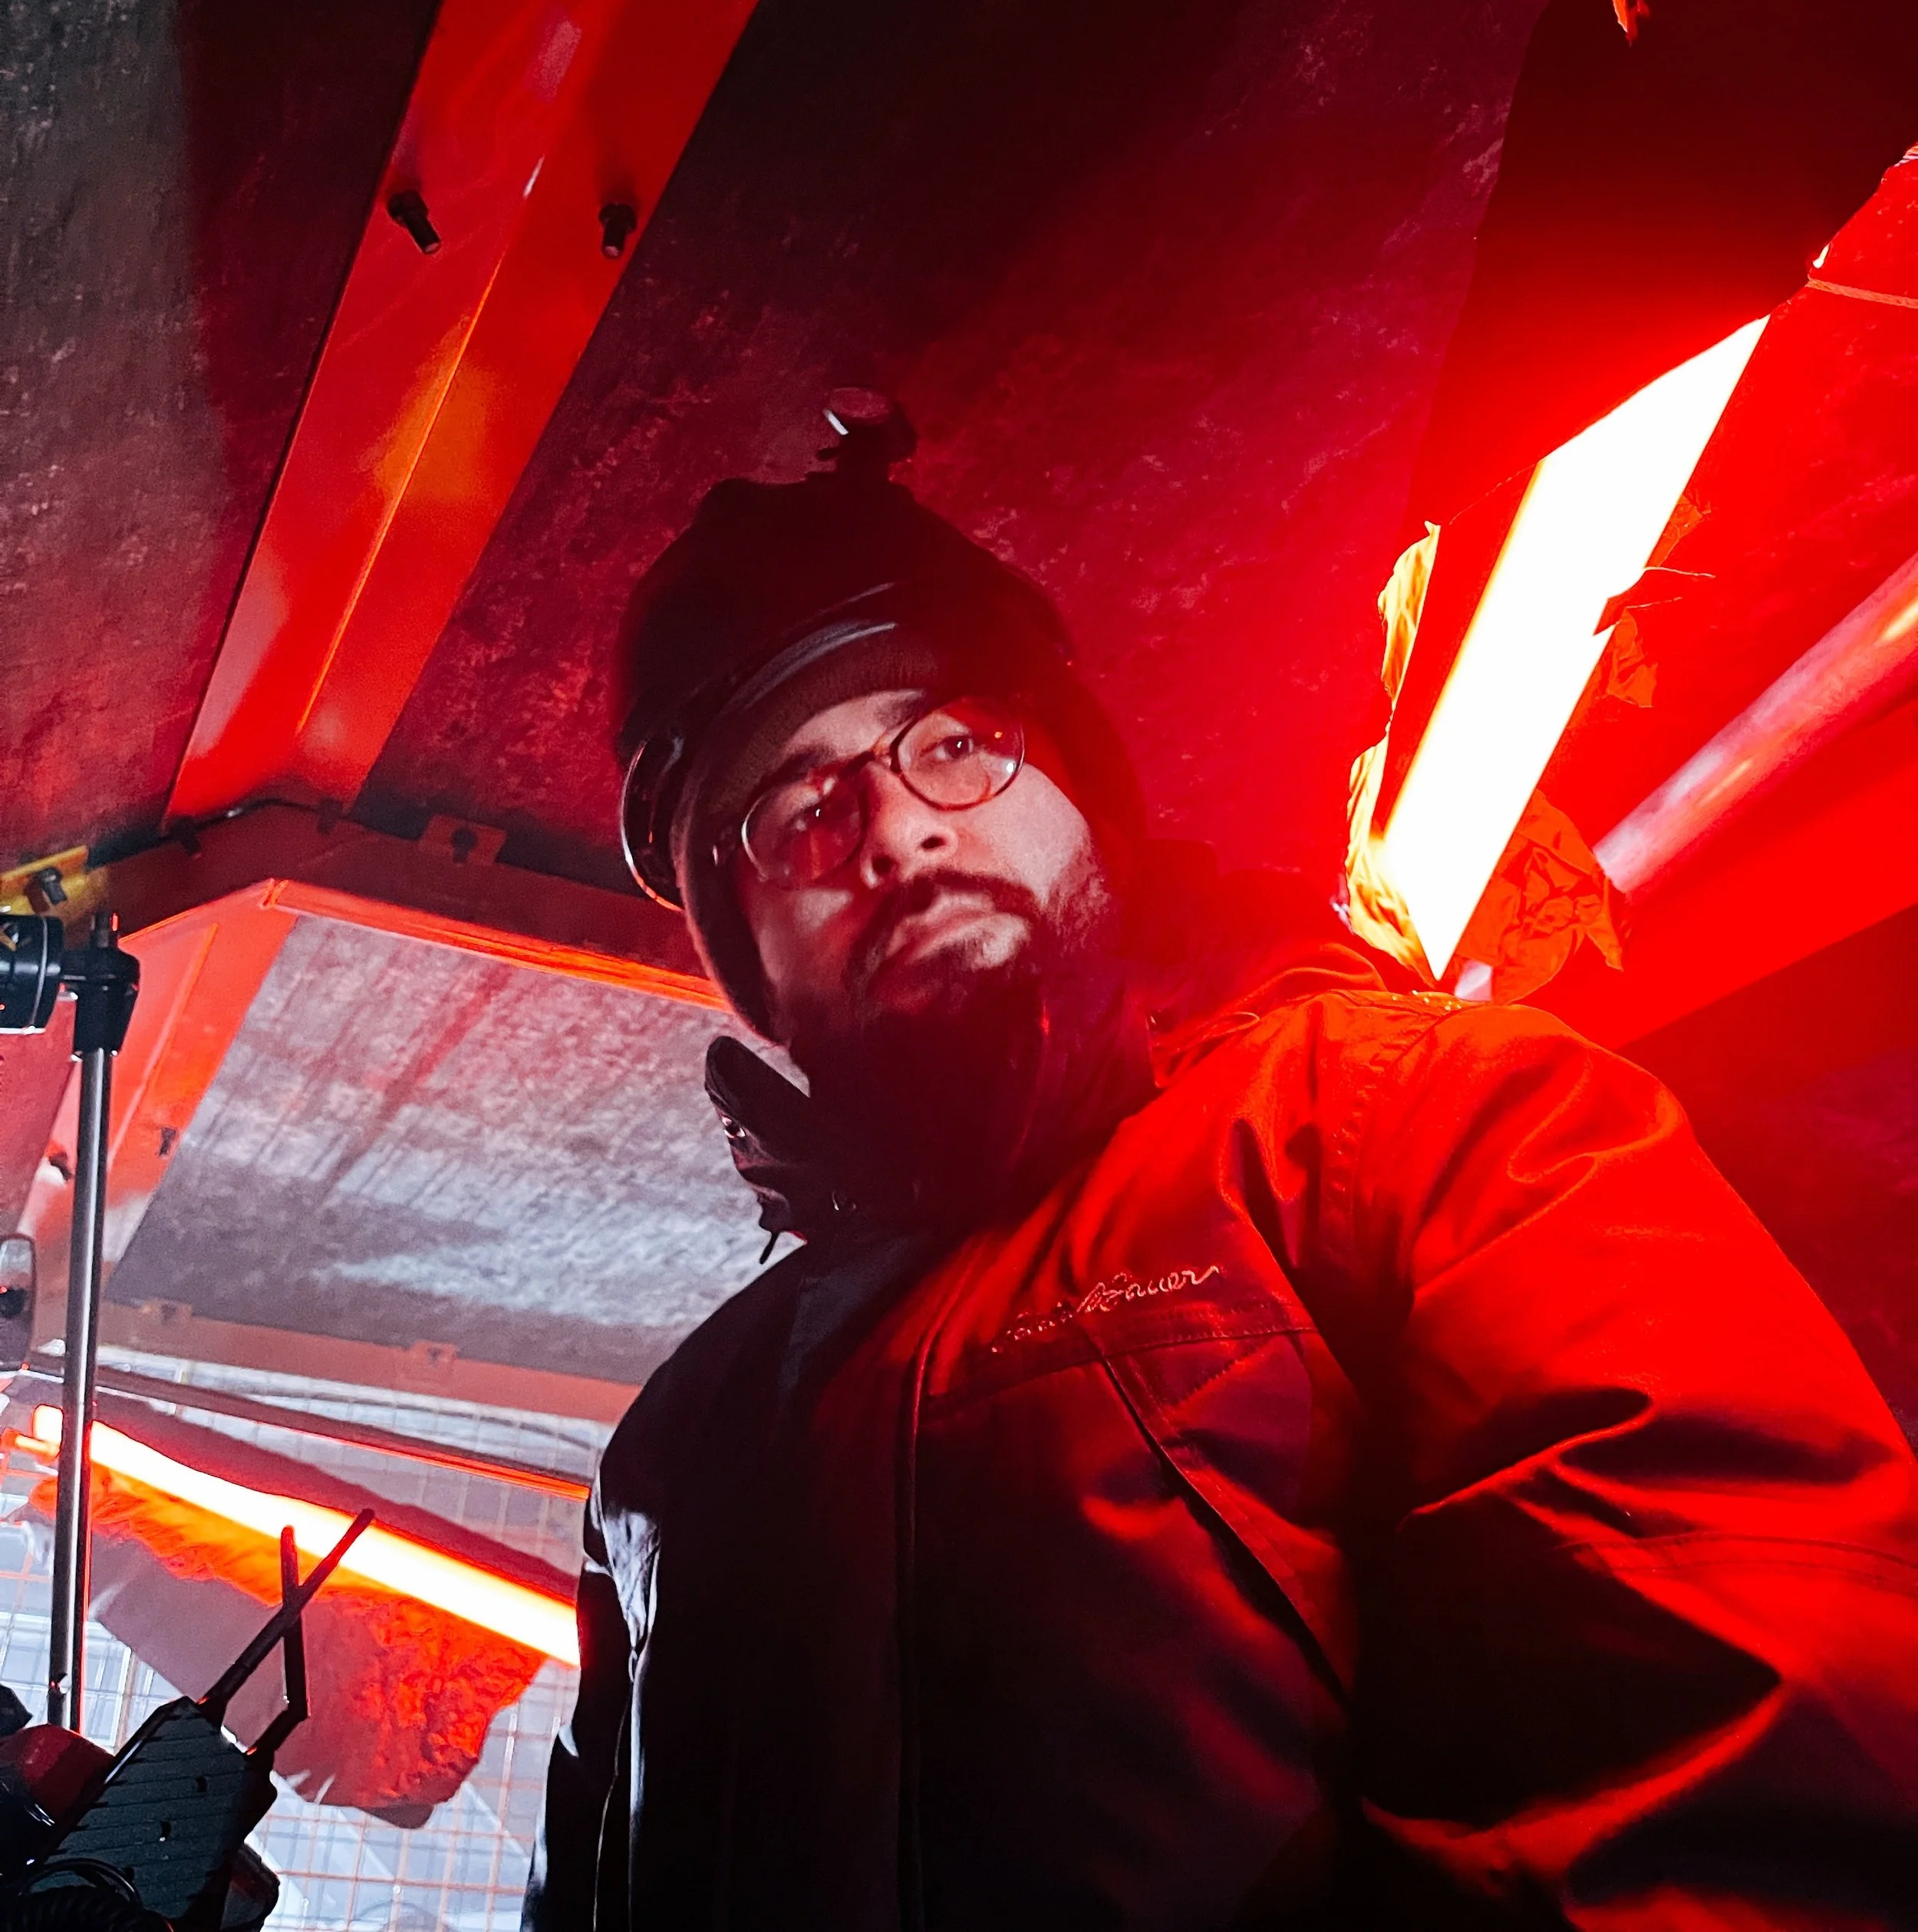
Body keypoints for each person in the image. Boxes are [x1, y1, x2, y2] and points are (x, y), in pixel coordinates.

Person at [525, 403, 1918, 1931]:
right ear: (741, 954)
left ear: (1081, 789)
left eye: (952, 744)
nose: (895, 833)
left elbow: (1738, 1782)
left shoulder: (1417, 1126)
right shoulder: (681, 1442)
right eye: (797, 810)